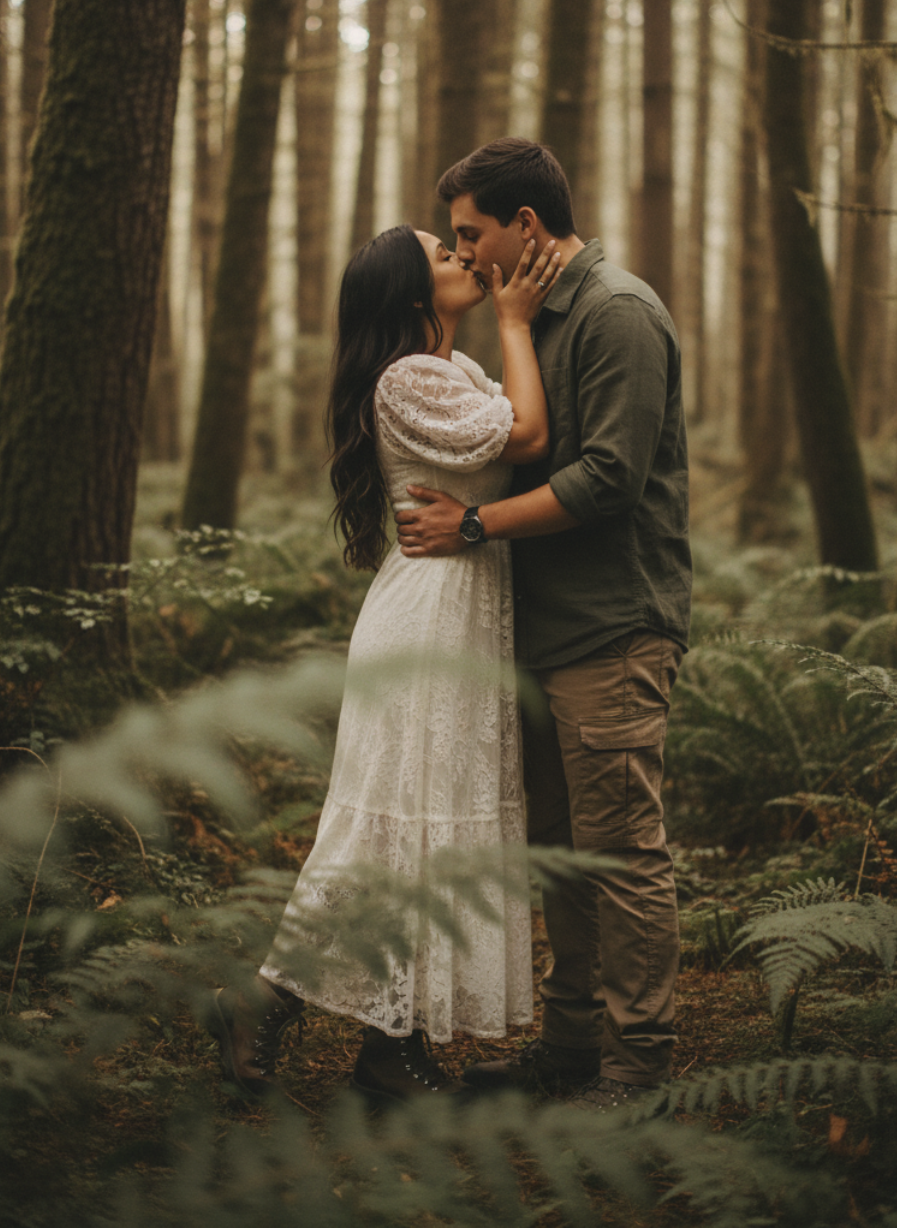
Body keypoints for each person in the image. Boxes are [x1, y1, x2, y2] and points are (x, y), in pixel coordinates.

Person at [206, 222, 562, 1103]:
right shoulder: (408, 377)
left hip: (460, 616)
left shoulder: (448, 372)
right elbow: (525, 439)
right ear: (413, 294)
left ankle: (385, 1046)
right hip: (426, 629)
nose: (465, 259)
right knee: (391, 830)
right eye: (445, 254)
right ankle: (269, 1004)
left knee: (421, 831)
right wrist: (518, 322)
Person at [395, 138, 691, 1112]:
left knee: (619, 851)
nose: (464, 250)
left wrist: (472, 522)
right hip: (534, 633)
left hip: (610, 628)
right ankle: (569, 1049)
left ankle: (635, 1064)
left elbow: (607, 480)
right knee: (557, 850)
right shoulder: (527, 320)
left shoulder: (616, 313)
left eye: (470, 232)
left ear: (526, 226)